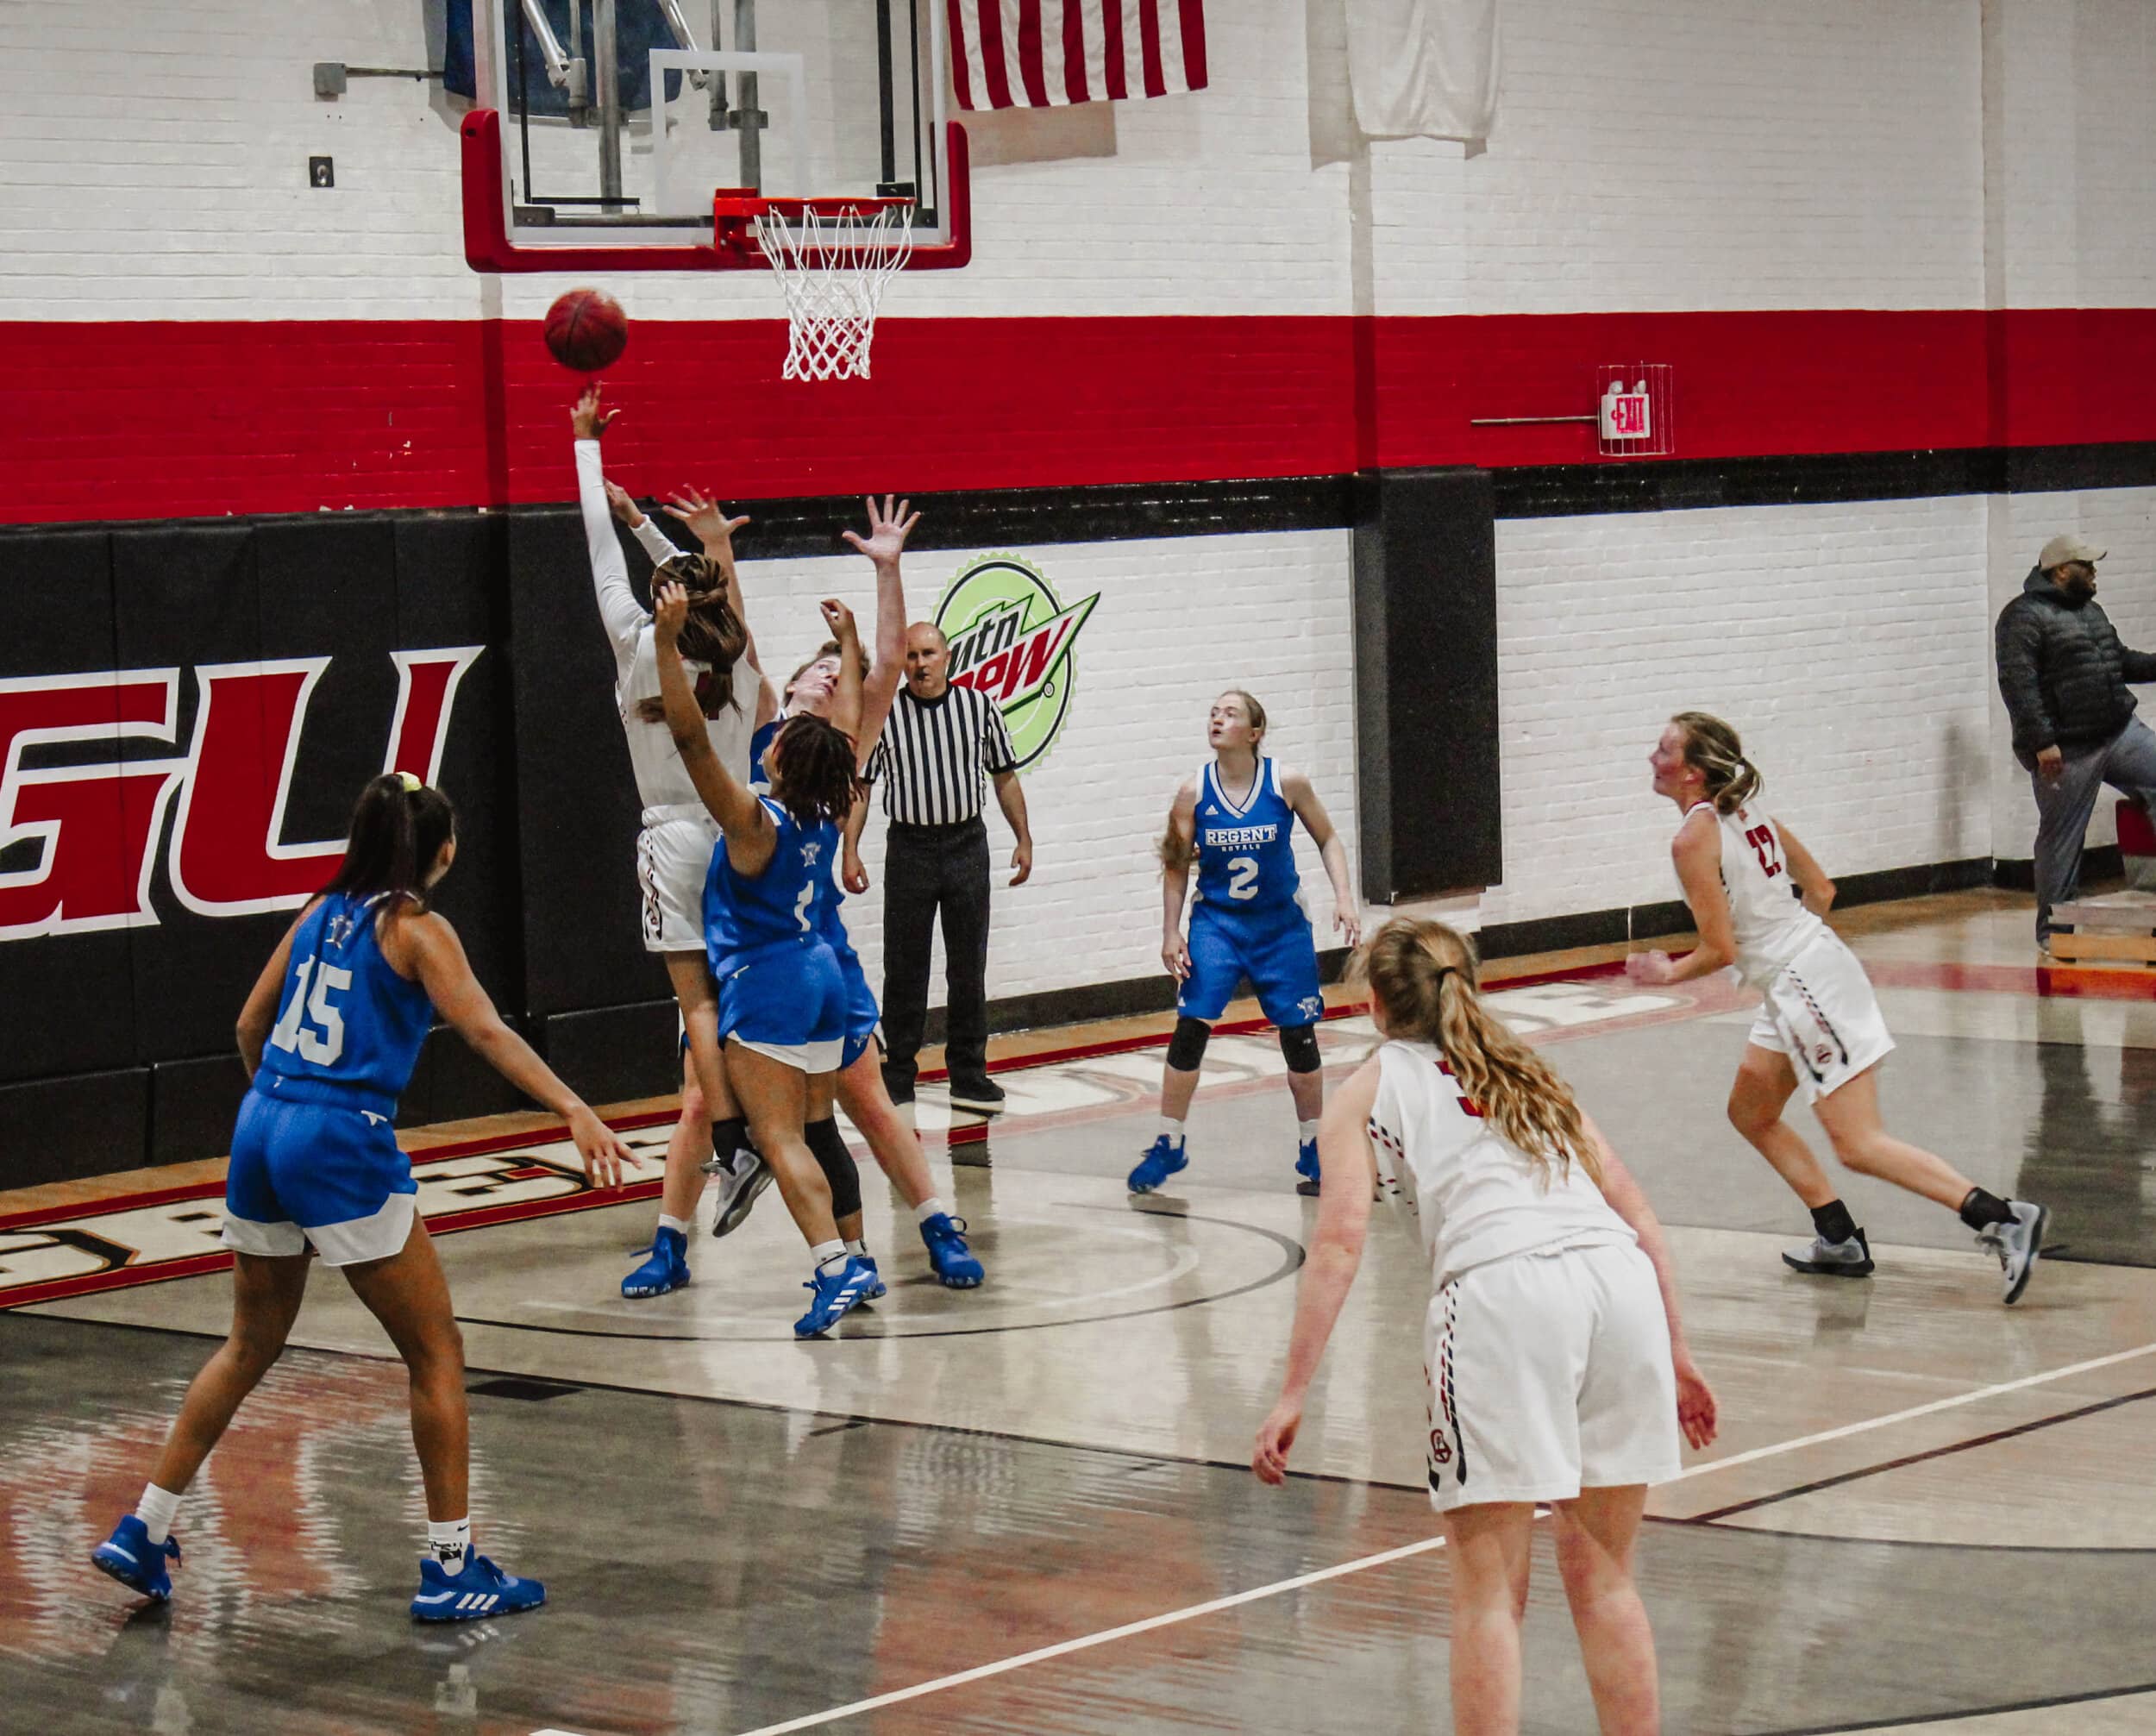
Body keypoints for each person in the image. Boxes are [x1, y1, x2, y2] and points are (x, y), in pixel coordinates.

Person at [91, 774, 639, 1620]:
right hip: (339, 1139)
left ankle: (144, 1525)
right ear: (444, 852)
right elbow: (486, 1028)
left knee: (246, 1345)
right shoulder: (417, 929)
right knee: (435, 1352)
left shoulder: (319, 912)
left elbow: (247, 1026)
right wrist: (572, 1106)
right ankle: (451, 1566)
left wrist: (285, 1117)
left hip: (262, 1121)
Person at [1252, 918, 1716, 1736]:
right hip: (1621, 1286)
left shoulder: (1365, 1087)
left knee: (1489, 1592)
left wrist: (1293, 1392)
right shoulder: (1530, 1071)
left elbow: (1337, 1243)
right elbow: (1635, 1207)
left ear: (1377, 1002)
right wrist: (1676, 1347)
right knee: (1607, 1578)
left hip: (1504, 1298)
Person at [1626, 711, 2048, 1302]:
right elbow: (1821, 890)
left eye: (1665, 749)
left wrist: (1667, 972)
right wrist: (1799, 959)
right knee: (1751, 1111)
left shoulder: (1692, 838)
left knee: (1858, 1143)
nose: (1653, 757)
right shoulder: (1749, 810)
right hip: (1803, 973)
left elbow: (1719, 948)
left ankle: (2002, 1217)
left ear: (1694, 772)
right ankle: (1838, 1236)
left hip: (1803, 984)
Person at [737, 498, 984, 1290]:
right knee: (797, 1120)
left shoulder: (848, 740)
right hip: (751, 949)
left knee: (867, 1101)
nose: (837, 677)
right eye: (824, 669)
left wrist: (888, 570)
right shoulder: (760, 727)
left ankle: (936, 1224)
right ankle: (847, 1258)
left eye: (841, 675)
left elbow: (881, 659)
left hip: (816, 951)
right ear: (798, 678)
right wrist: (717, 552)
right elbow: (738, 645)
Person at [569, 385, 776, 1301]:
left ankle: (737, 1148)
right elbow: (712, 593)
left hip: (674, 841)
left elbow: (598, 562)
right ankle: (734, 1173)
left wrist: (585, 455)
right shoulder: (739, 656)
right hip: (745, 844)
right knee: (722, 1036)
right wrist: (669, 535)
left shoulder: (635, 645)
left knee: (695, 1015)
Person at [653, 582, 886, 1337]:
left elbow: (691, 745)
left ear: (782, 759)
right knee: (816, 1129)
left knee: (778, 1137)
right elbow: (847, 727)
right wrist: (849, 651)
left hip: (771, 978)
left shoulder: (759, 822)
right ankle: (851, 1248)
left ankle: (832, 1264)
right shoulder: (828, 803)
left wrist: (664, 643)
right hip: (821, 968)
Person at [1129, 691, 1361, 1198]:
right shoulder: (1192, 792)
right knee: (1191, 1027)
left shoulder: (1287, 782)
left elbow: (1329, 838)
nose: (1217, 717)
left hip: (1280, 926)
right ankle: (1169, 1141)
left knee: (1298, 1037)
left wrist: (1344, 897)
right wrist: (1170, 931)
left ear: (1255, 732)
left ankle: (1312, 1145)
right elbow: (1175, 863)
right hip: (1219, 925)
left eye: (1230, 713)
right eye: (1214, 710)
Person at [849, 624, 1034, 1116]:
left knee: (967, 967)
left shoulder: (978, 707)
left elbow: (1005, 777)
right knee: (904, 967)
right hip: (909, 848)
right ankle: (899, 1075)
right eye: (910, 656)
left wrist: (1024, 838)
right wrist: (849, 849)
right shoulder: (884, 714)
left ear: (948, 656)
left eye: (928, 653)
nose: (920, 664)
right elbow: (862, 790)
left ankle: (969, 1075)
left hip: (966, 844)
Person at [1995, 533, 2156, 950]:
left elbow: (2119, 661)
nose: (2095, 573)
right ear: (2063, 571)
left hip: (2118, 731)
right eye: (2088, 566)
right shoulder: (2022, 618)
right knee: (2062, 839)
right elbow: (2019, 686)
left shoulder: (2091, 611)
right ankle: (2054, 934)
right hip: (2066, 751)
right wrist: (2042, 742)